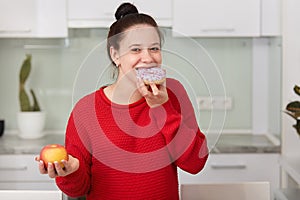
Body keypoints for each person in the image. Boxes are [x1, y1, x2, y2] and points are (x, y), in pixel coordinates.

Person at [36, 2, 208, 200]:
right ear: (115, 55)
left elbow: (196, 163)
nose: (148, 58)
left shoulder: (173, 93)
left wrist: (162, 107)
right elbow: (78, 189)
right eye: (136, 50)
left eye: (154, 48)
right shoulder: (85, 111)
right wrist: (71, 170)